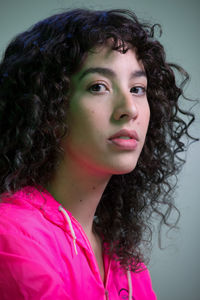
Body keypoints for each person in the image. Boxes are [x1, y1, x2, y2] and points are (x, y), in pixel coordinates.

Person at [0, 8, 197, 300]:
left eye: (138, 88)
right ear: (48, 109)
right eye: (98, 86)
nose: (129, 108)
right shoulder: (12, 236)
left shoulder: (125, 260)